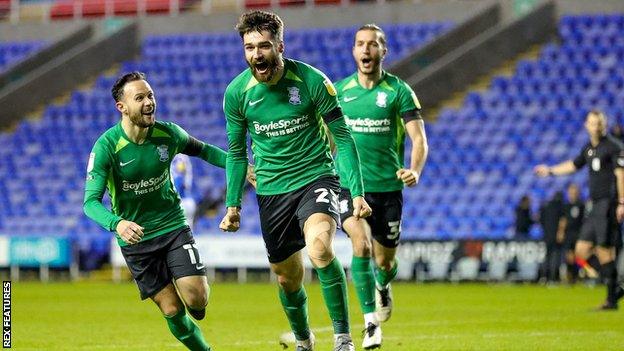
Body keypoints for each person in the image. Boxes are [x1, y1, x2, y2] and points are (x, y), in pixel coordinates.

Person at [219, 11, 372, 351]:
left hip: (315, 178)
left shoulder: (312, 81)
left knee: (320, 248)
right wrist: (233, 205)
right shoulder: (236, 94)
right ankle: (304, 340)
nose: (256, 55)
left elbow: (343, 139)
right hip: (272, 193)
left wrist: (357, 192)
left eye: (263, 46)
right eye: (248, 48)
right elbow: (236, 153)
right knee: (288, 278)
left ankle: (343, 338)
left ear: (280, 46)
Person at [83, 72, 227, 350]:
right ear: (121, 107)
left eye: (150, 96)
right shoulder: (106, 147)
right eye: (140, 98)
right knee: (172, 310)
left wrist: (241, 168)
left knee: (197, 300)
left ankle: (196, 302)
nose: (149, 102)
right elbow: (90, 203)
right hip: (136, 240)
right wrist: (117, 223)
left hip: (172, 226)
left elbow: (206, 151)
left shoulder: (168, 133)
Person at [333, 24, 428, 349]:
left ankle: (383, 284)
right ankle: (371, 324)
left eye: (372, 44)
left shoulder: (400, 91)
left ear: (382, 51)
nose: (366, 50)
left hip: (388, 190)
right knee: (360, 247)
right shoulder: (340, 91)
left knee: (384, 262)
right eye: (360, 44)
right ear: (354, 51)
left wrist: (414, 169)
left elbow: (418, 138)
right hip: (349, 187)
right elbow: (327, 139)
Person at [535, 110, 624, 309]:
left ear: (604, 125)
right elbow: (573, 165)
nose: (596, 127)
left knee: (604, 250)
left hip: (607, 203)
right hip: (594, 205)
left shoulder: (614, 147)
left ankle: (611, 298)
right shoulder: (589, 149)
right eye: (592, 123)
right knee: (581, 251)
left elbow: (620, 175)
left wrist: (622, 202)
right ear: (586, 125)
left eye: (599, 123)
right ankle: (616, 286)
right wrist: (550, 170)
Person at [538, 191, 565, 283]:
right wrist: (560, 233)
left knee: (546, 256)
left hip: (546, 234)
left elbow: (540, 219)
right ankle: (553, 277)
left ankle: (543, 276)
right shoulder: (561, 206)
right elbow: (562, 220)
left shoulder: (546, 206)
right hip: (555, 235)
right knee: (555, 256)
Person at [562, 183, 586, 283]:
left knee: (579, 255)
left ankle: (579, 274)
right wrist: (561, 232)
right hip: (569, 234)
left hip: (579, 233)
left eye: (574, 192)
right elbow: (563, 220)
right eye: (571, 192)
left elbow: (585, 220)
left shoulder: (581, 205)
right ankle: (570, 275)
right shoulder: (566, 206)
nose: (573, 194)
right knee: (569, 256)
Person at [172, 154, 197, 229]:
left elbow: (181, 179)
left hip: (182, 200)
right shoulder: (183, 157)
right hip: (186, 200)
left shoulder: (179, 157)